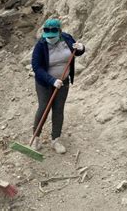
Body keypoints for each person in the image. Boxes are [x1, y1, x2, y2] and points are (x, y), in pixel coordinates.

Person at [31, 18, 85, 154]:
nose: (50, 39)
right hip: (45, 83)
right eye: (48, 37)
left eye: (53, 36)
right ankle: (35, 138)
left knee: (58, 109)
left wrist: (81, 48)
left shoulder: (66, 38)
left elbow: (75, 51)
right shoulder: (41, 45)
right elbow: (37, 67)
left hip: (63, 82)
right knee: (43, 108)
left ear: (59, 32)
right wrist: (52, 80)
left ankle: (56, 140)